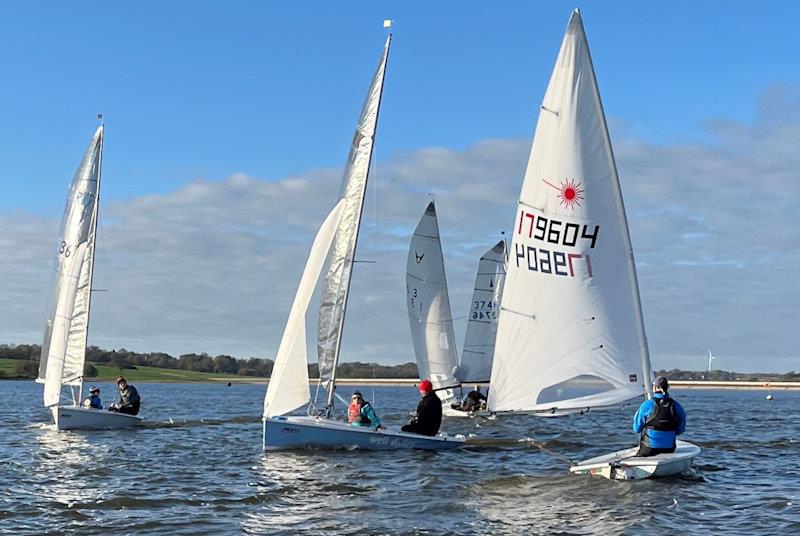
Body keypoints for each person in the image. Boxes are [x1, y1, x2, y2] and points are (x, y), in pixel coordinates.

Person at [632, 376, 686, 456]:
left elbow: (636, 429)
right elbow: (680, 430)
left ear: (654, 387)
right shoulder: (677, 406)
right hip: (669, 449)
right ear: (667, 387)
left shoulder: (647, 405)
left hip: (648, 449)